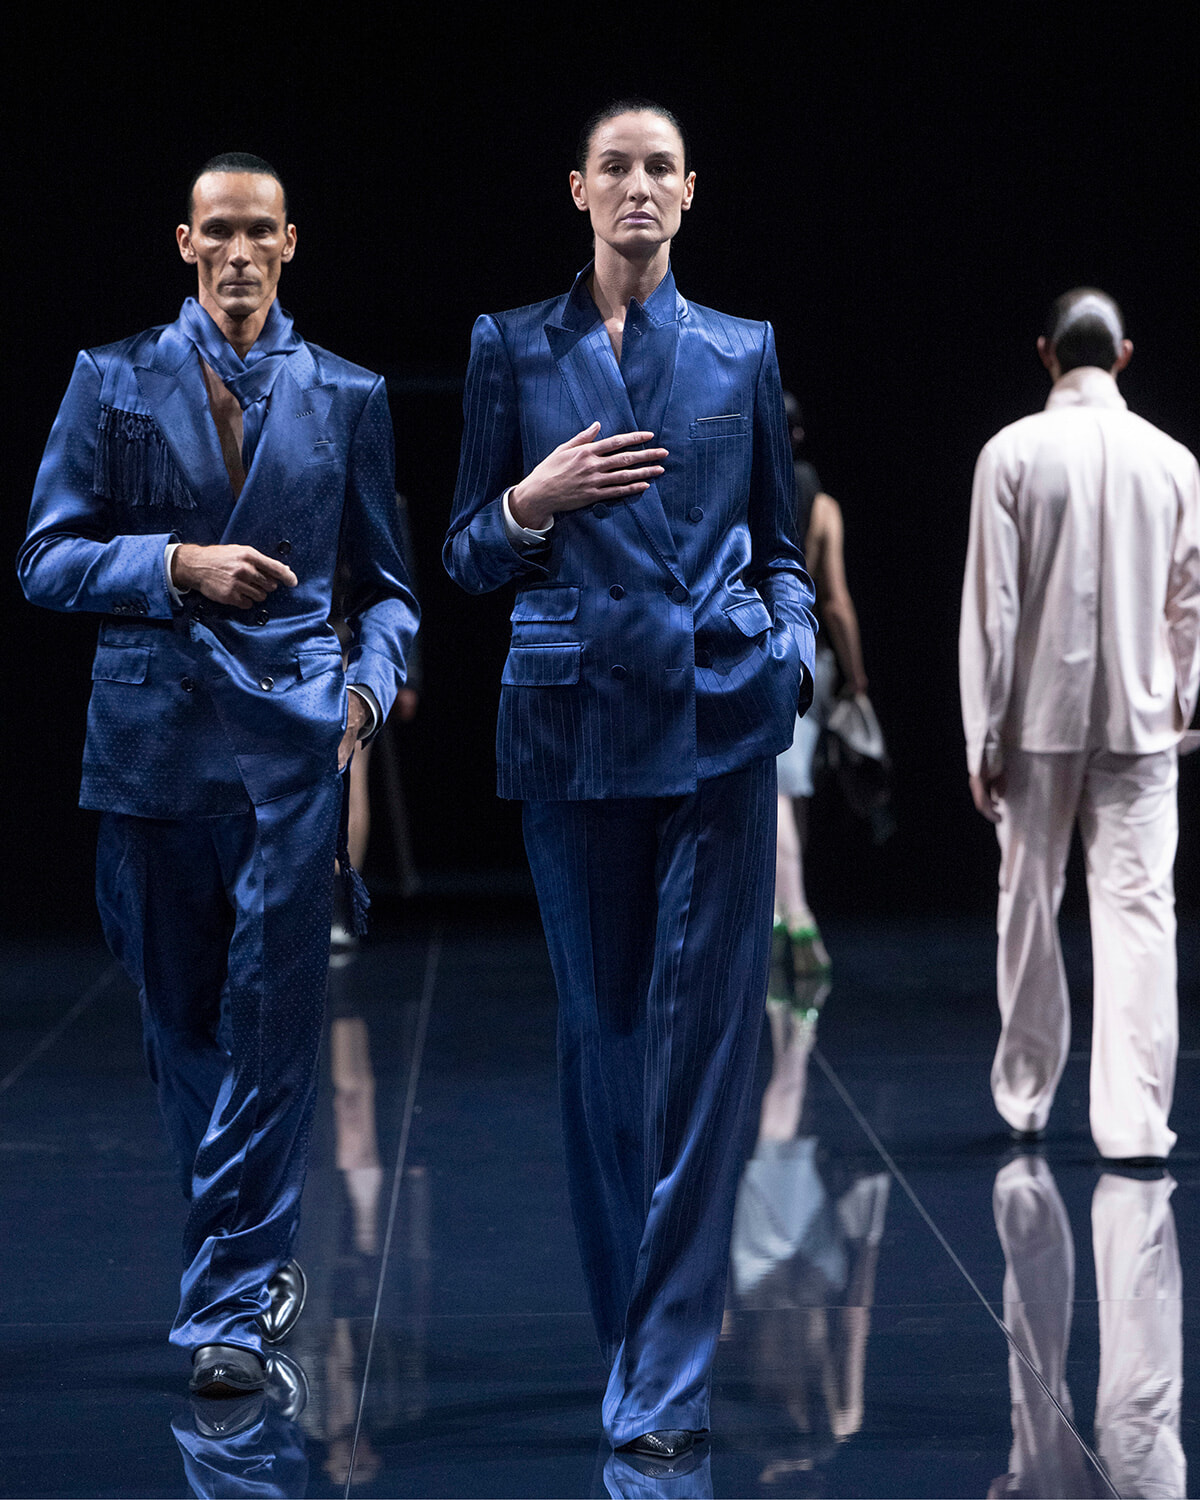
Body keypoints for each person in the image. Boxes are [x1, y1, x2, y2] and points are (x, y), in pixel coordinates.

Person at [444, 99, 815, 1458]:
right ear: (580, 192)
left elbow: (780, 538)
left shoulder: (740, 349)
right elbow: (464, 557)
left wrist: (791, 645)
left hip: (718, 712)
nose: (640, 185)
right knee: (604, 1042)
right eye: (617, 166)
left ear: (692, 192)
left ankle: (662, 1379)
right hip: (570, 716)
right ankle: (635, 1329)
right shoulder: (510, 347)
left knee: (710, 1055)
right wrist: (528, 504)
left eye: (661, 165)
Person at [18, 153, 419, 1395]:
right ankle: (243, 1259)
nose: (239, 253)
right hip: (148, 752)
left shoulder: (347, 392)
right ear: (184, 243)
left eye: (261, 233)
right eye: (218, 233)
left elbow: (390, 592)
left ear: (291, 242)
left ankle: (227, 1313)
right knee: (182, 1031)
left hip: (292, 760)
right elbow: (44, 556)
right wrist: (177, 564)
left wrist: (359, 696)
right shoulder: (112, 376)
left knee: (273, 1032)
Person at [959, 287, 1200, 1163]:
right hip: (1142, 719)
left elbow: (993, 606)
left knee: (1026, 905)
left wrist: (982, 735)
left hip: (1035, 722)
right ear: (1123, 354)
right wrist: (1180, 704)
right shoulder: (1174, 460)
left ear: (1046, 353)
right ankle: (1135, 1122)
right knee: (1140, 915)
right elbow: (1190, 601)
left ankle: (1026, 1097)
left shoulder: (1010, 453)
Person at [773, 395, 870, 982]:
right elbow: (834, 599)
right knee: (792, 791)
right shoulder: (823, 504)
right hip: (812, 658)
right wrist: (856, 673)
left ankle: (788, 915)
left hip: (754, 653)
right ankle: (791, 914)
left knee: (780, 790)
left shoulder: (748, 491)